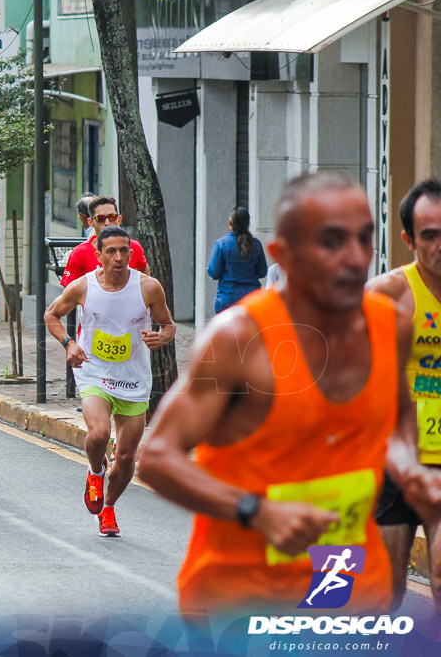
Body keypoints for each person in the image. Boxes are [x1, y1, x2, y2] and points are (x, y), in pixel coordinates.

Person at [136, 172, 441, 616]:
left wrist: (411, 469)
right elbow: (157, 457)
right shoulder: (239, 339)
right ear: (283, 256)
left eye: (363, 239)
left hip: (347, 587)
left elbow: (398, 416)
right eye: (332, 242)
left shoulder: (389, 325)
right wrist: (256, 511)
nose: (355, 258)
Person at [44, 225, 176, 536]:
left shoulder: (148, 287)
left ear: (131, 253)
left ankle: (108, 508)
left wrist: (161, 337)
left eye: (124, 251)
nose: (119, 257)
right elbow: (52, 314)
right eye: (111, 251)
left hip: (133, 378)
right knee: (100, 433)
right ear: (98, 255)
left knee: (128, 457)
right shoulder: (82, 286)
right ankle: (95, 471)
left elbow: (168, 324)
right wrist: (69, 344)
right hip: (94, 372)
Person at [366, 179, 441, 610]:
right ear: (408, 240)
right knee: (386, 589)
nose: (439, 245)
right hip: (395, 456)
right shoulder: (388, 294)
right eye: (429, 236)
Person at [61, 197, 149, 286]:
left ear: (119, 219)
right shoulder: (79, 253)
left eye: (112, 217)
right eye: (100, 218)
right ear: (91, 222)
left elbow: (143, 269)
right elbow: (68, 292)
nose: (107, 222)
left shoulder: (134, 247)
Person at [207, 206, 267, 314]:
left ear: (230, 222)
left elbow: (214, 273)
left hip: (227, 300)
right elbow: (263, 272)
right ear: (248, 223)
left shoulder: (221, 244)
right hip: (253, 299)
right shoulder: (256, 244)